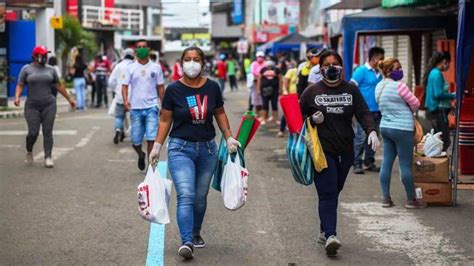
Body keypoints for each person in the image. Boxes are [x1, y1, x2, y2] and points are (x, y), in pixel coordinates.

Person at [149, 46, 240, 260]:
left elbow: (219, 113)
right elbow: (165, 119)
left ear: (203, 63)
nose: (192, 63)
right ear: (181, 63)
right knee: (186, 195)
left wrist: (228, 136)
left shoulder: (213, 88)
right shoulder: (173, 90)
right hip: (180, 148)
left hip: (208, 149)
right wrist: (156, 146)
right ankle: (186, 240)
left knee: (200, 197)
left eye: (196, 59)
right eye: (188, 59)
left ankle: (196, 232)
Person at [300, 50, 379, 257]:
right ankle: (330, 236)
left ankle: (323, 227)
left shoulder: (351, 90)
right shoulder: (311, 92)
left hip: (346, 150)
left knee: (335, 190)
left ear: (342, 67)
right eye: (327, 64)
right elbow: (296, 118)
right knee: (328, 193)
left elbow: (363, 112)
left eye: (336, 63)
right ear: (320, 68)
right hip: (321, 151)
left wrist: (371, 131)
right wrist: (310, 120)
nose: (332, 67)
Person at [376, 58, 427, 209]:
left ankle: (386, 198)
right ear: (388, 71)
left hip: (385, 127)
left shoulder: (379, 87)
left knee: (386, 163)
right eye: (397, 68)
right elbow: (416, 104)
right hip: (403, 129)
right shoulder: (400, 86)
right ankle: (411, 200)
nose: (400, 71)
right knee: (405, 165)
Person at [14, 46, 76, 168]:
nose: (45, 57)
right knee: (33, 132)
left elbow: (59, 85)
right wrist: (17, 97)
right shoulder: (26, 69)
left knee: (48, 131)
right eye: (42, 55)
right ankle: (29, 150)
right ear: (35, 56)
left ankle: (48, 157)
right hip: (32, 106)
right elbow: (20, 85)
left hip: (49, 104)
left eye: (46, 55)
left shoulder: (51, 70)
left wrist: (69, 99)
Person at [122, 40, 165, 171]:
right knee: (135, 141)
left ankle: (151, 168)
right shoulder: (130, 67)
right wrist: (125, 101)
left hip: (152, 107)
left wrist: (164, 105)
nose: (141, 49)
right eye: (139, 47)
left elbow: (161, 88)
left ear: (149, 49)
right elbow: (124, 86)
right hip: (135, 108)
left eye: (144, 47)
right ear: (135, 50)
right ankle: (141, 154)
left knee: (151, 138)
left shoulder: (156, 67)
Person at [350, 46, 385, 174]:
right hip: (363, 112)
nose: (383, 61)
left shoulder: (380, 73)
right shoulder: (361, 71)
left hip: (378, 111)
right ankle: (356, 163)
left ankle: (369, 162)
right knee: (360, 137)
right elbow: (352, 88)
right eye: (381, 58)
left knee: (374, 138)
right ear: (374, 59)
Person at [423, 51, 454, 152]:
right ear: (445, 62)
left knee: (439, 140)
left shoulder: (433, 72)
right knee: (444, 141)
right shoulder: (437, 74)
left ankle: (438, 163)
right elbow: (438, 94)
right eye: (449, 63)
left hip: (436, 110)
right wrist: (453, 95)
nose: (449, 66)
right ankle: (439, 164)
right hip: (438, 111)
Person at [108, 48, 134, 144]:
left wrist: (116, 89)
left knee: (119, 116)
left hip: (120, 96)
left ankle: (118, 129)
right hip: (133, 97)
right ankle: (133, 135)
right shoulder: (135, 66)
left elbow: (111, 81)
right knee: (134, 117)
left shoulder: (118, 66)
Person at [257, 57, 282, 126]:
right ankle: (263, 119)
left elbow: (280, 79)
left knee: (274, 104)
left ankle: (276, 119)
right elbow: (259, 79)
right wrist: (258, 89)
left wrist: (280, 89)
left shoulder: (277, 70)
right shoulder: (263, 69)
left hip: (275, 90)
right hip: (264, 90)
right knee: (264, 104)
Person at [277, 60, 298, 137]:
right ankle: (281, 130)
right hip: (291, 96)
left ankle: (294, 130)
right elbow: (286, 82)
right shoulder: (292, 71)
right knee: (287, 113)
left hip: (300, 96)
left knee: (297, 114)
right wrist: (286, 92)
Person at [249, 51, 266, 116]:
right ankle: (257, 113)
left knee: (262, 99)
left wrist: (261, 75)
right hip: (255, 82)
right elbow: (253, 71)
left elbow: (266, 71)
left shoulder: (265, 63)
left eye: (261, 56)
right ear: (256, 57)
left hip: (263, 82)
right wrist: (260, 75)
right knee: (255, 98)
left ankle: (263, 114)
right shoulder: (254, 63)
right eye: (259, 56)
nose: (260, 58)